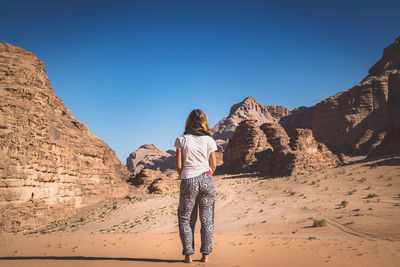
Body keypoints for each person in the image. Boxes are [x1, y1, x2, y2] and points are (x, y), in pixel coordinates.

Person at [174, 109, 217, 263]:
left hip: (188, 180)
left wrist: (184, 176)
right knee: (207, 219)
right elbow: (214, 164)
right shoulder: (209, 140)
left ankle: (189, 256)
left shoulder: (181, 139)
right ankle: (205, 256)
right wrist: (206, 175)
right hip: (206, 179)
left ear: (189, 121)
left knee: (185, 218)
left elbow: (179, 165)